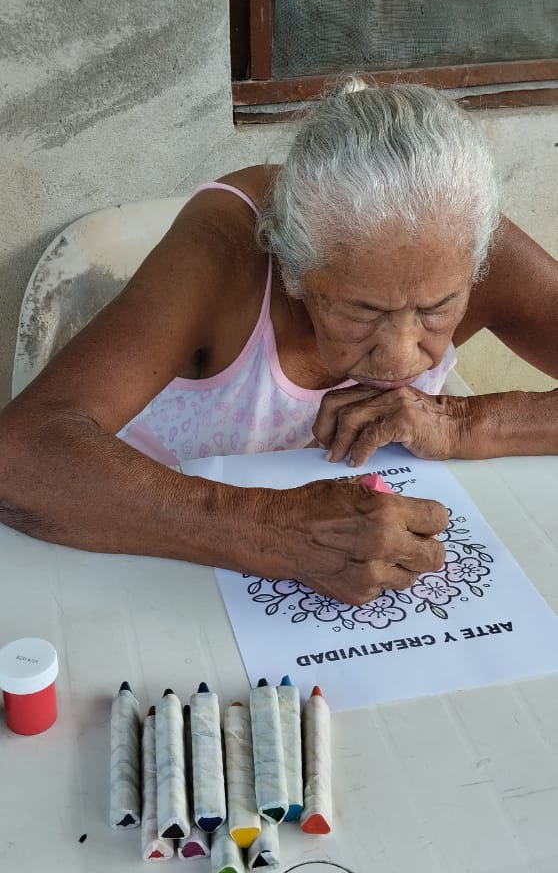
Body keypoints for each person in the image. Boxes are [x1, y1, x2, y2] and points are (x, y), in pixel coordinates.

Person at [0, 82, 556, 604]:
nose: (401, 358)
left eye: (436, 310)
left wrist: (460, 421)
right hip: (147, 569)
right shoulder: (223, 251)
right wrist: (276, 529)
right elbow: (20, 456)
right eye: (362, 312)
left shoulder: (457, 232)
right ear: (293, 271)